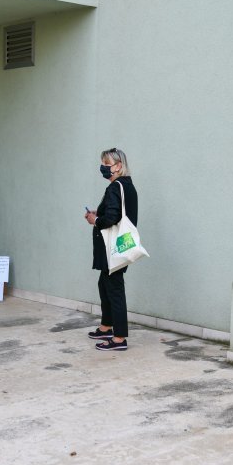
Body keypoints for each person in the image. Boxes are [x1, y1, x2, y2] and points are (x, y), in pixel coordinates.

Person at [84, 148, 138, 351]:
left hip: (111, 248)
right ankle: (107, 326)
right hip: (120, 244)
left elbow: (112, 218)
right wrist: (101, 212)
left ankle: (119, 338)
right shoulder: (127, 186)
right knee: (105, 284)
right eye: (103, 163)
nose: (104, 167)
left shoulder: (116, 187)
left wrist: (95, 219)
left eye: (107, 163)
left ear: (119, 166)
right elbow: (119, 213)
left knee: (114, 288)